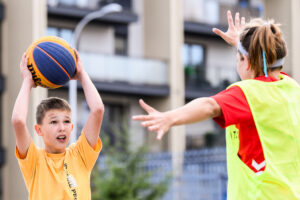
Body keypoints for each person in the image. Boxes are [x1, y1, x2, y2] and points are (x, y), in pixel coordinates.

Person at [133, 11, 300, 199]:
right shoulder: (293, 90)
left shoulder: (249, 93)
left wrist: (169, 117)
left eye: (238, 58)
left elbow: (209, 106)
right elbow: (261, 66)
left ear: (247, 62)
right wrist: (242, 45)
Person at [11, 50, 104, 200]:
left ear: (72, 127)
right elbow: (18, 121)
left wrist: (82, 75)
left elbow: (98, 110)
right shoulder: (34, 161)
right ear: (39, 130)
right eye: (54, 122)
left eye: (66, 121)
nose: (62, 127)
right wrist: (27, 82)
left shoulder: (80, 156)